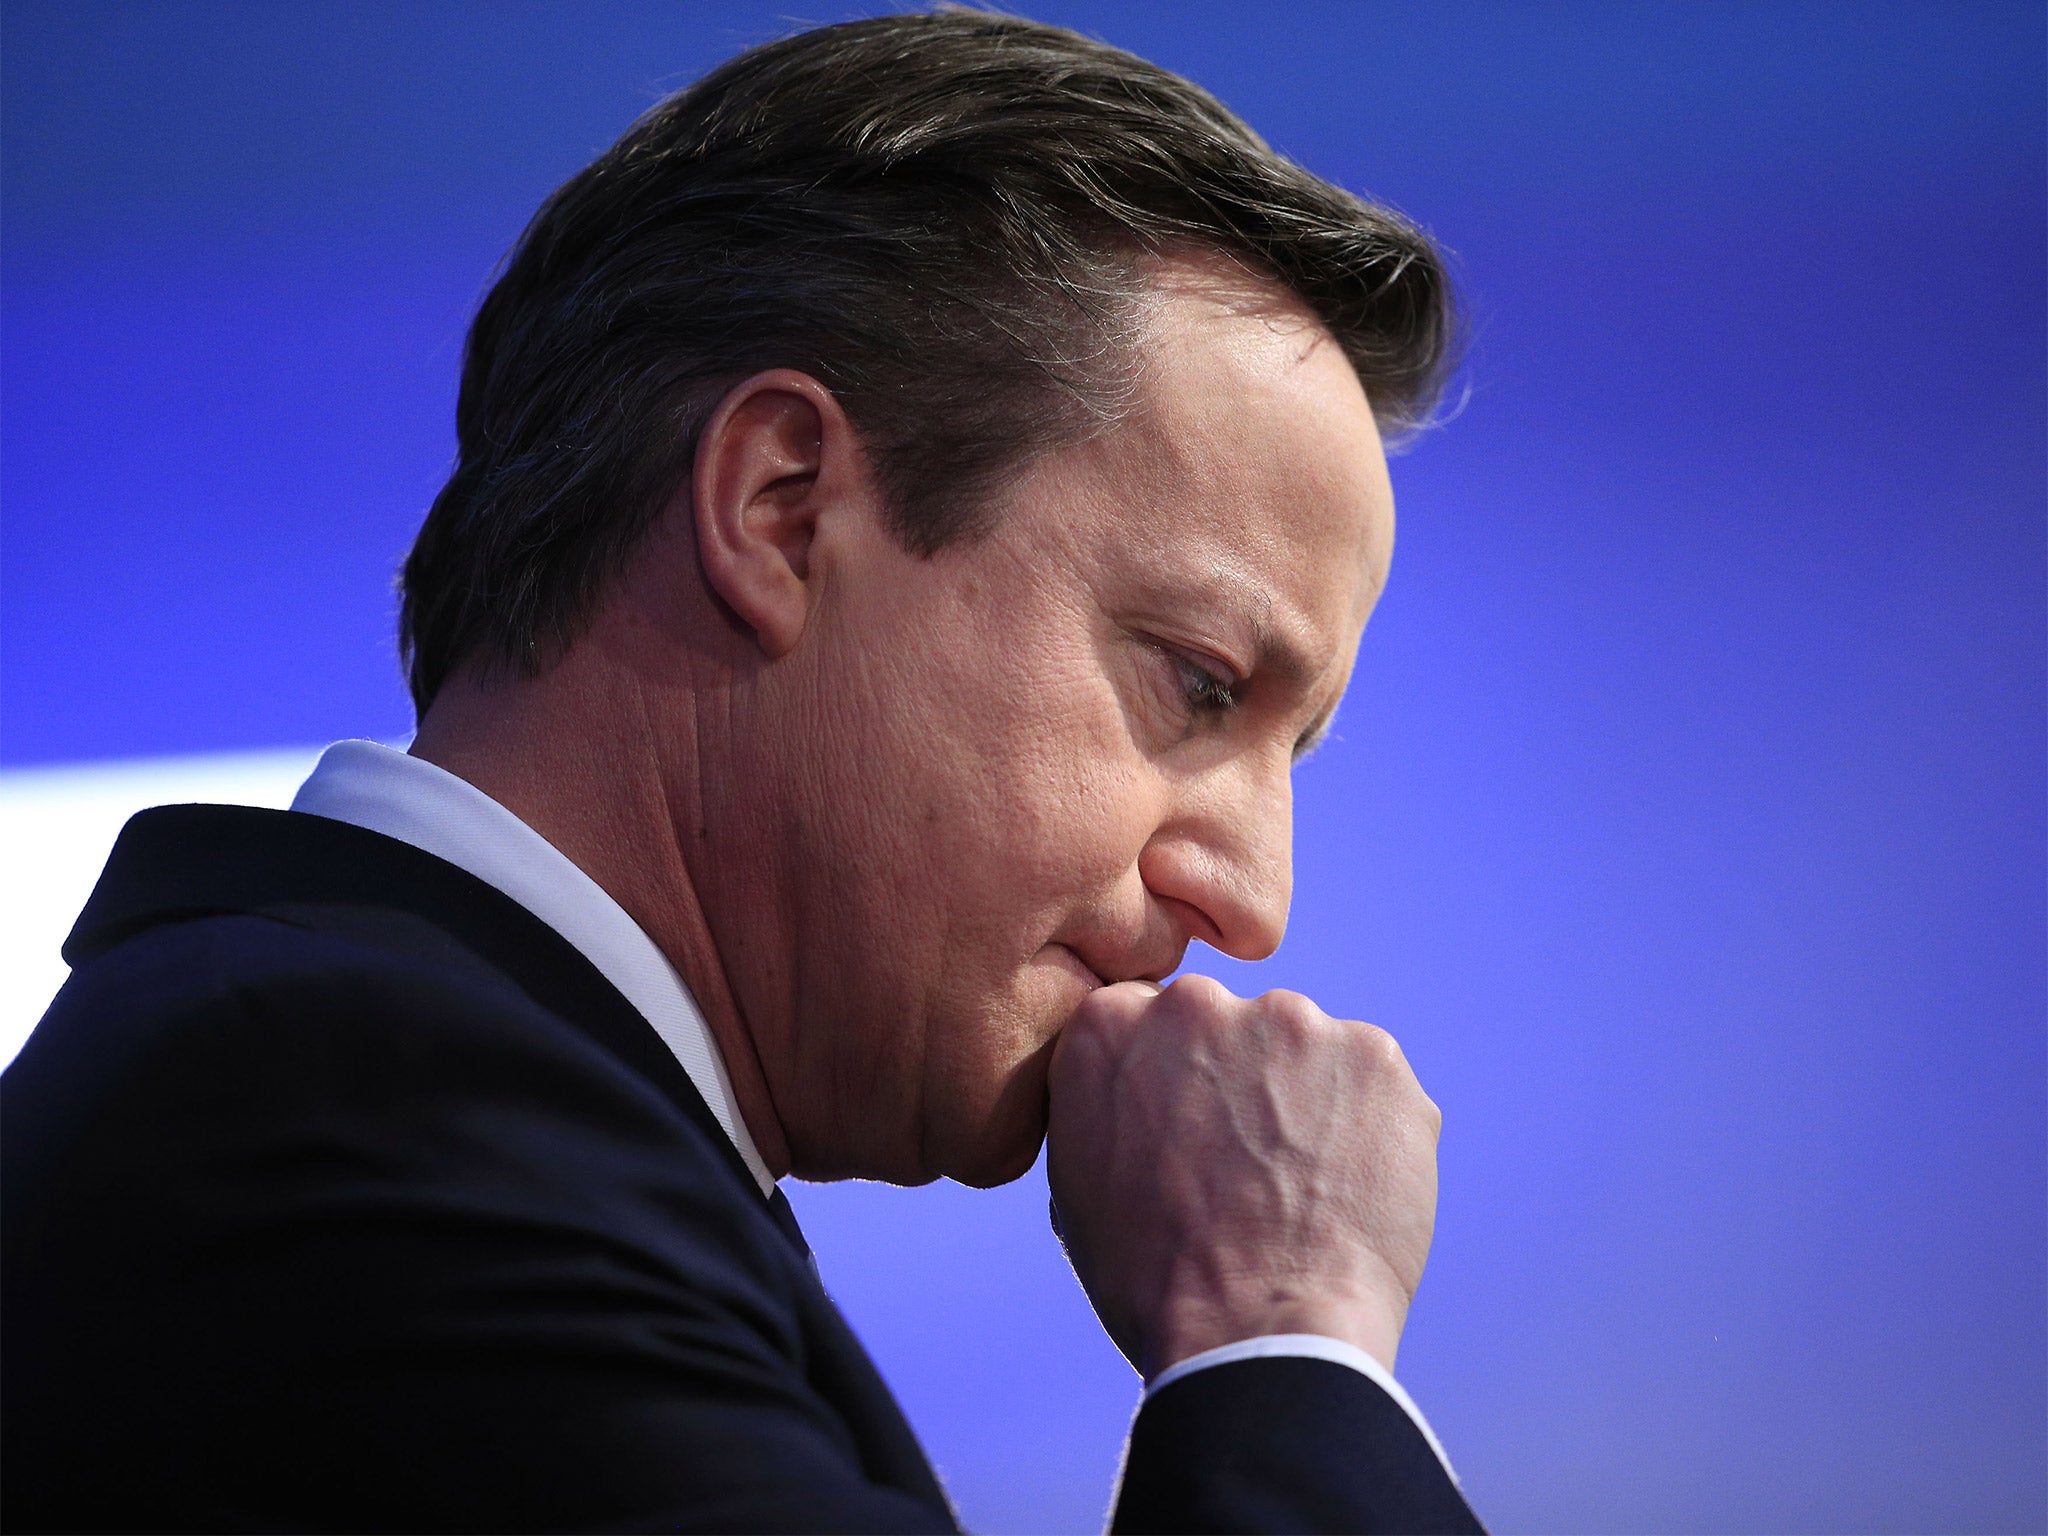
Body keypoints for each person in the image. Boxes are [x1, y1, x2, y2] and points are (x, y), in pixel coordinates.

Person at [3, 10, 1483, 1533]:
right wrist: (1281, 1329)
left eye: (1285, 748)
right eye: (1200, 683)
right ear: (780, 510)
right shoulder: (352, 1133)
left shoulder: (409, 1103)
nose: (1252, 903)